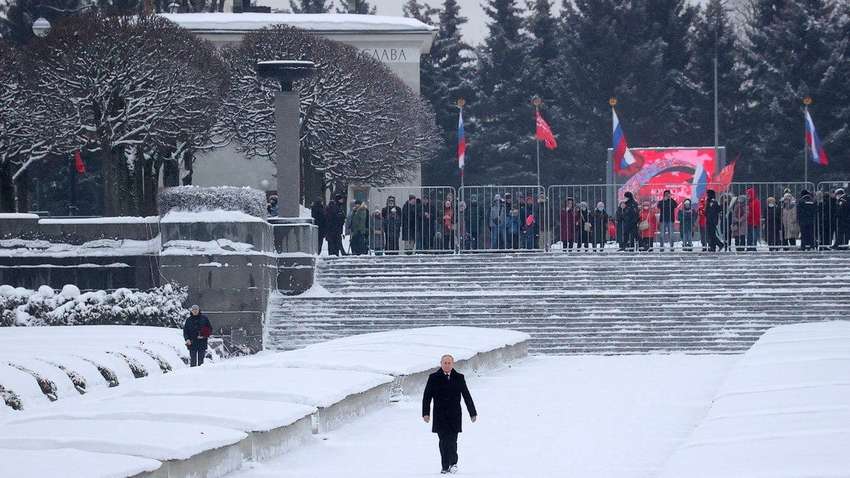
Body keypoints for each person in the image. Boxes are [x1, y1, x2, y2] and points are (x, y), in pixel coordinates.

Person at [422, 354, 477, 475]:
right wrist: (426, 413)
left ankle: (453, 463)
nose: (447, 365)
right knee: (443, 441)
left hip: (454, 415)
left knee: (452, 440)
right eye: (445, 363)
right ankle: (445, 466)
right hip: (440, 415)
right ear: (441, 364)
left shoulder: (459, 377)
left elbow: (466, 396)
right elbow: (427, 397)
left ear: (453, 364)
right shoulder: (433, 378)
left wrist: (472, 413)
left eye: (449, 363)